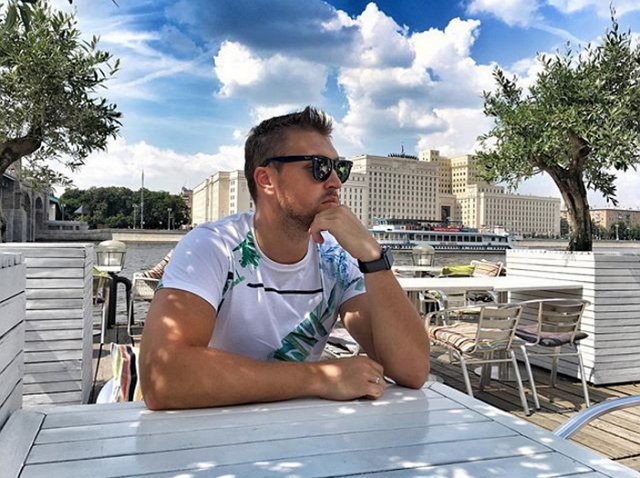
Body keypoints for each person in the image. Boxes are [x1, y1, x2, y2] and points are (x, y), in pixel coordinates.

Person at [139, 106, 430, 410]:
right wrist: (319, 377)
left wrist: (373, 257)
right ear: (266, 179)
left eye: (339, 168)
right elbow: (163, 377)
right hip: (209, 427)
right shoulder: (213, 246)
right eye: (319, 167)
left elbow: (412, 369)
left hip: (300, 429)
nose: (335, 182)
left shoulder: (337, 258)